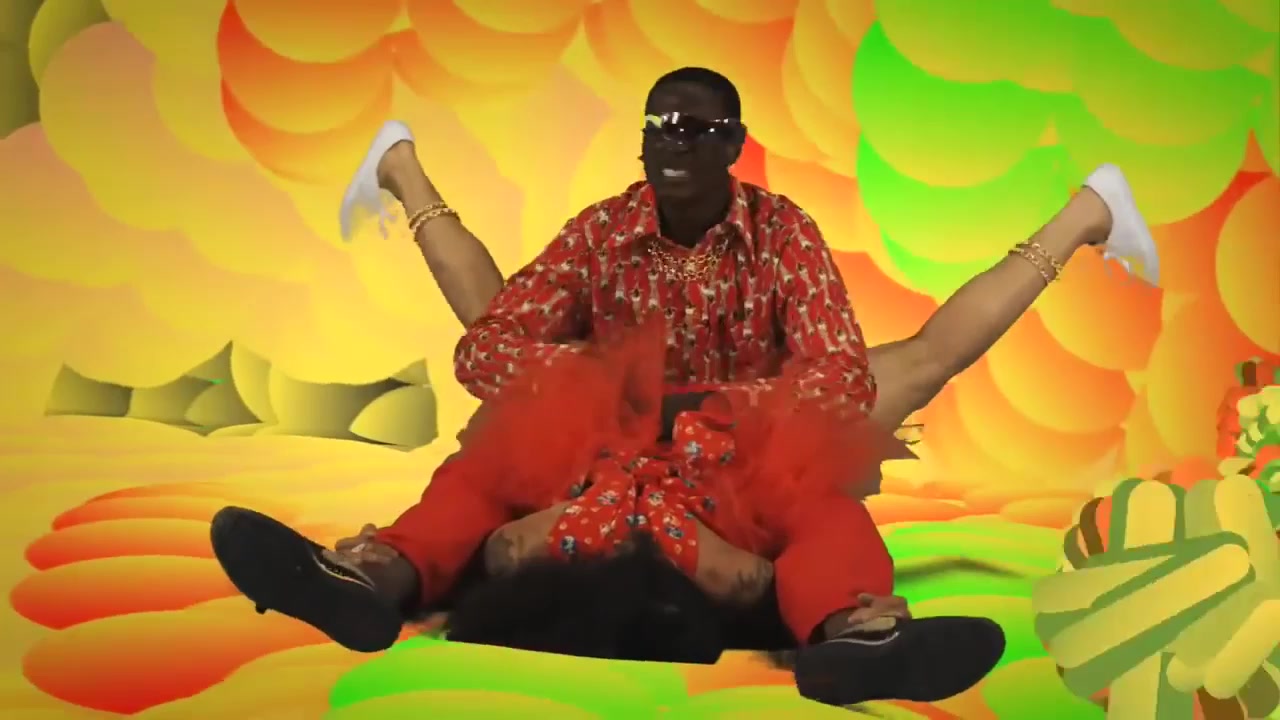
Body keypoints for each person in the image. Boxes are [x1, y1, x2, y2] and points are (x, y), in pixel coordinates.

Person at [211, 67, 1158, 707]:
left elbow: (835, 375)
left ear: (734, 144)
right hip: (594, 446)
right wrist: (598, 390)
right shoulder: (600, 230)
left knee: (828, 497)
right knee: (483, 472)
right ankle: (372, 577)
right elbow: (488, 348)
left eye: (697, 129)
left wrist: (719, 411)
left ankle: (859, 634)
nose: (673, 142)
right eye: (658, 126)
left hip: (744, 452)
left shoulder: (783, 233)